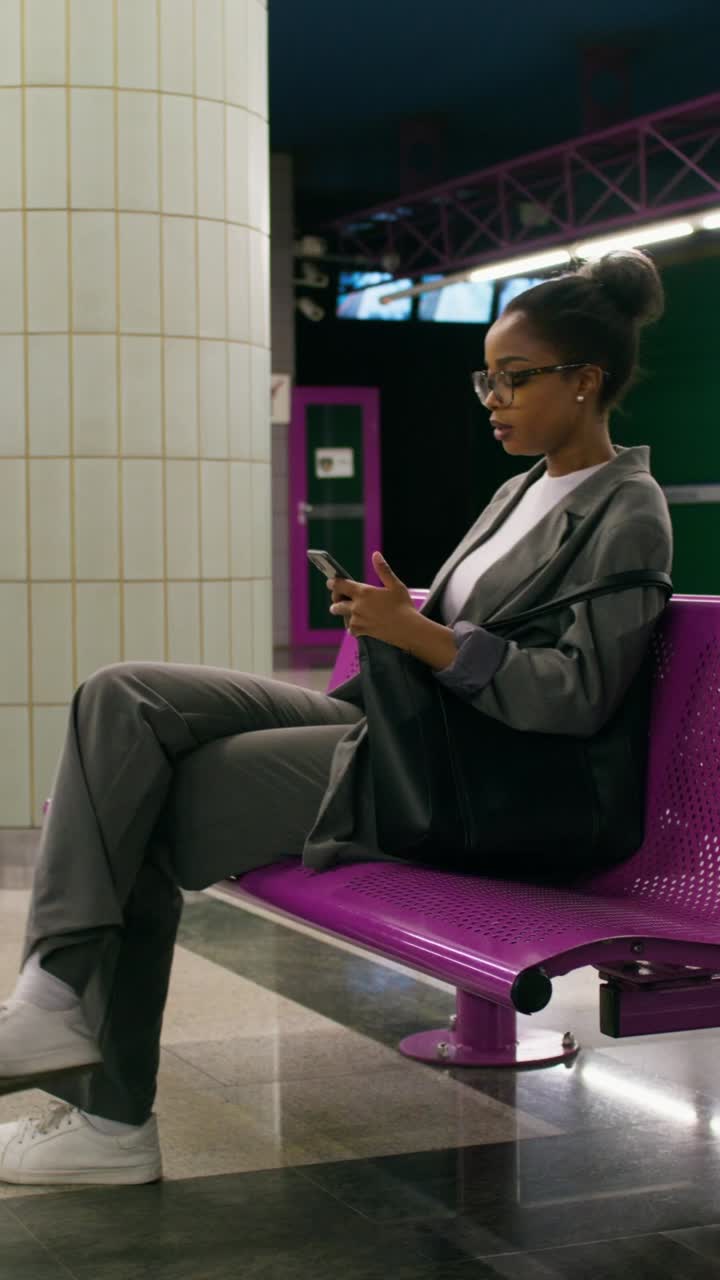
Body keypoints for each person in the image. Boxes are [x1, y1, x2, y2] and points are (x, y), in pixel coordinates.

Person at [0, 248, 672, 1186]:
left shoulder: (627, 511)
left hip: (474, 784)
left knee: (140, 806)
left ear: (587, 379)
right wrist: (400, 621)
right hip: (402, 729)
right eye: (488, 377)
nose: (493, 397)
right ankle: (52, 989)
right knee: (122, 696)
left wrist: (423, 637)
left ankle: (110, 1124)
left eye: (515, 379)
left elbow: (574, 694)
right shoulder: (520, 491)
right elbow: (469, 633)